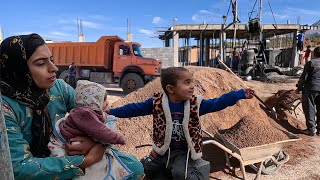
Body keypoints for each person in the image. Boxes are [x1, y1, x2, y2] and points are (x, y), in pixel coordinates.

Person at [0, 34, 143, 180]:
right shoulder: (5, 107)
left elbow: (95, 115)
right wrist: (85, 161)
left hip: (70, 151)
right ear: (18, 68)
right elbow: (18, 168)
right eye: (40, 63)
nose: (54, 68)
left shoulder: (59, 88)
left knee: (134, 168)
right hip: (50, 166)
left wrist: (96, 143)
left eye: (52, 60)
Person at [107, 67, 255, 179]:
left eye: (192, 82)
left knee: (179, 173)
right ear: (171, 89)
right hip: (162, 150)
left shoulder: (196, 104)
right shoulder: (157, 103)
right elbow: (134, 109)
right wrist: (111, 112)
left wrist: (239, 94)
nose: (192, 86)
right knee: (144, 169)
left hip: (184, 152)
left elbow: (218, 102)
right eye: (186, 83)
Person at [48, 80, 131, 179]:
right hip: (70, 145)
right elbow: (101, 132)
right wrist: (118, 138)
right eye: (103, 100)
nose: (108, 102)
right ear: (94, 103)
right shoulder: (86, 115)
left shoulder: (82, 110)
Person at [296, 47, 320, 136]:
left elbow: (303, 78)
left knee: (310, 109)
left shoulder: (311, 63)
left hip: (311, 89)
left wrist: (298, 88)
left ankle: (311, 130)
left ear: (314, 54)